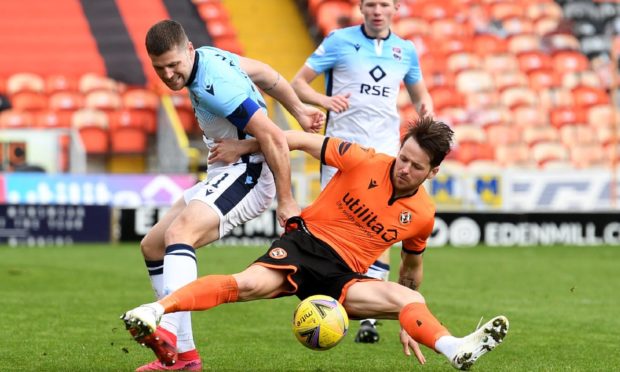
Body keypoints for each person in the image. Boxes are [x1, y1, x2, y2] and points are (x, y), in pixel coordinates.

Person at [121, 117, 510, 371]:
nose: (404, 168)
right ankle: (156, 310)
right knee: (246, 284)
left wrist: (412, 323)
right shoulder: (363, 159)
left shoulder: (423, 214)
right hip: (304, 245)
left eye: (416, 166)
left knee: (413, 302)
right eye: (403, 157)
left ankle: (454, 347)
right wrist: (244, 148)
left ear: (434, 171)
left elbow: (411, 273)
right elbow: (291, 138)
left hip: (342, 278)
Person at [136, 20, 325, 371]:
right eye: (159, 68)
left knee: (180, 234)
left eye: (174, 65)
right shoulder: (210, 57)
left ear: (189, 50)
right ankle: (185, 358)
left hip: (249, 173)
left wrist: (285, 199)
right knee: (153, 246)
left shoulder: (213, 86)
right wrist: (298, 110)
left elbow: (273, 138)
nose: (168, 75)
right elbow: (266, 74)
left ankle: (169, 331)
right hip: (228, 171)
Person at [290, 0, 434, 343]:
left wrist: (429, 126)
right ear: (360, 7)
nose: (377, 10)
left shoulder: (405, 50)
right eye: (370, 4)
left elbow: (421, 96)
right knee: (336, 229)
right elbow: (298, 83)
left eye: (384, 4)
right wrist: (324, 102)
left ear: (396, 7)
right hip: (343, 151)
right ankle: (328, 294)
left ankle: (368, 318)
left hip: (386, 153)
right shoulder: (339, 40)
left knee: (379, 230)